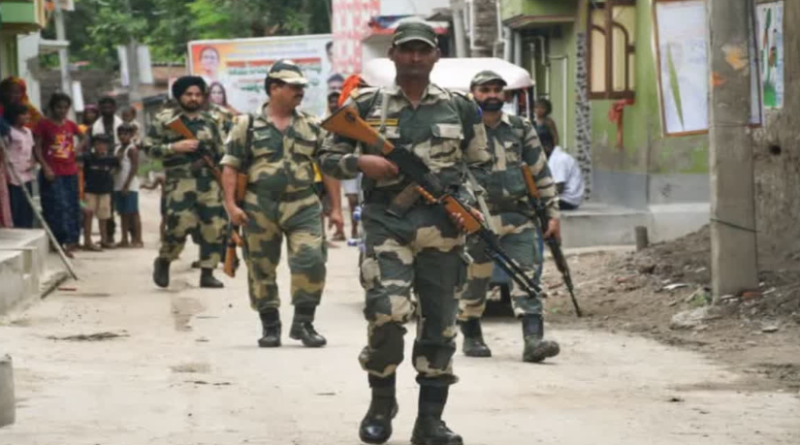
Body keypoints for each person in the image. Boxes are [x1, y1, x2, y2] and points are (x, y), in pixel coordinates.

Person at [319, 21, 491, 445]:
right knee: (387, 315)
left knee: (440, 326)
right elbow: (325, 155)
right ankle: (381, 401)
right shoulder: (364, 104)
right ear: (393, 54)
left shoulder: (460, 107)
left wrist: (468, 205)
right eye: (407, 50)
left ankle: (429, 422)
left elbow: (478, 166)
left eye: (423, 50)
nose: (415, 58)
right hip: (387, 225)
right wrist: (361, 165)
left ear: (435, 56)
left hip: (443, 232)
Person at [222, 60, 344, 349]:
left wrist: (336, 208)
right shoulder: (245, 125)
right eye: (293, 86)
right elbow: (230, 166)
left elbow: (327, 167)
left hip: (303, 203)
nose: (300, 91)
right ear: (274, 88)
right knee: (260, 266)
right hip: (258, 204)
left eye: (302, 86)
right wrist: (230, 206)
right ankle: (270, 325)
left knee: (311, 260)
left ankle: (304, 323)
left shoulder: (313, 125)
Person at [458, 71, 562, 364]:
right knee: (474, 279)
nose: (492, 95)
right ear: (473, 93)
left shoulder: (519, 128)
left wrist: (553, 213)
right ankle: (472, 336)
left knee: (528, 275)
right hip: (477, 218)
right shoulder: (461, 129)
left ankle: (533, 341)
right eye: (484, 89)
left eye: (497, 90)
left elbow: (541, 171)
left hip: (518, 215)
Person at [147, 76, 227, 289]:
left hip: (208, 184)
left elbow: (222, 153)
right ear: (179, 96)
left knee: (214, 226)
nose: (193, 98)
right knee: (178, 226)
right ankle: (164, 260)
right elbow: (148, 148)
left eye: (198, 94)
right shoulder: (165, 120)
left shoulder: (211, 121)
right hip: (179, 182)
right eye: (189, 94)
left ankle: (207, 272)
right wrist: (174, 148)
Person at [34, 93, 85, 257]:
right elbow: (36, 148)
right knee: (55, 207)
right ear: (52, 107)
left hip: (70, 172)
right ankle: (56, 242)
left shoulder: (70, 125)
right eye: (58, 107)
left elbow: (85, 138)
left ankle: (70, 242)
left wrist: (76, 151)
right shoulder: (43, 125)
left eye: (65, 108)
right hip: (52, 172)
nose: (62, 111)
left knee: (72, 207)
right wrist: (45, 167)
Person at [81, 134, 119, 250]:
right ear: (94, 145)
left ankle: (104, 240)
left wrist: (110, 176)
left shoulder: (111, 159)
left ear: (107, 146)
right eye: (98, 144)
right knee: (88, 215)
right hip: (90, 191)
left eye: (103, 144)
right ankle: (87, 241)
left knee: (104, 216)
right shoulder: (88, 158)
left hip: (105, 191)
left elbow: (117, 168)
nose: (101, 146)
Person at [3, 103, 37, 228]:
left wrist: (33, 161)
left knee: (27, 204)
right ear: (15, 116)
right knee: (15, 204)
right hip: (13, 174)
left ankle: (27, 227)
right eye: (23, 114)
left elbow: (31, 150)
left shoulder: (28, 131)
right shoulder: (9, 132)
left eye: (27, 114)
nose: (26, 116)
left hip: (27, 173)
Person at [114, 124, 143, 248]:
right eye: (120, 134)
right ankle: (124, 238)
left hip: (129, 185)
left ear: (131, 135)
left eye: (125, 134)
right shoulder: (117, 148)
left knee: (133, 212)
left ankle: (138, 239)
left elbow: (134, 167)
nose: (122, 136)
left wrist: (126, 185)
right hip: (118, 184)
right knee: (123, 213)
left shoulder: (132, 149)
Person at [541, 132, 584, 210]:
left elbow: (559, 187)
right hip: (567, 199)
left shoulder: (559, 159)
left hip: (567, 201)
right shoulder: (555, 157)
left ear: (546, 146)